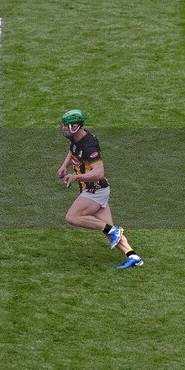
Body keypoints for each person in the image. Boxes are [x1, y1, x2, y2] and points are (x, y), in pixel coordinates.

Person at [56, 109, 142, 269]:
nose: (63, 128)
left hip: (95, 190)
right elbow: (72, 151)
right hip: (92, 190)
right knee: (108, 232)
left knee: (72, 217)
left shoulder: (89, 145)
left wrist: (76, 177)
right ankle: (133, 256)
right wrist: (63, 167)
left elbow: (99, 173)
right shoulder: (76, 138)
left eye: (65, 126)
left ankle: (114, 230)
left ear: (75, 126)